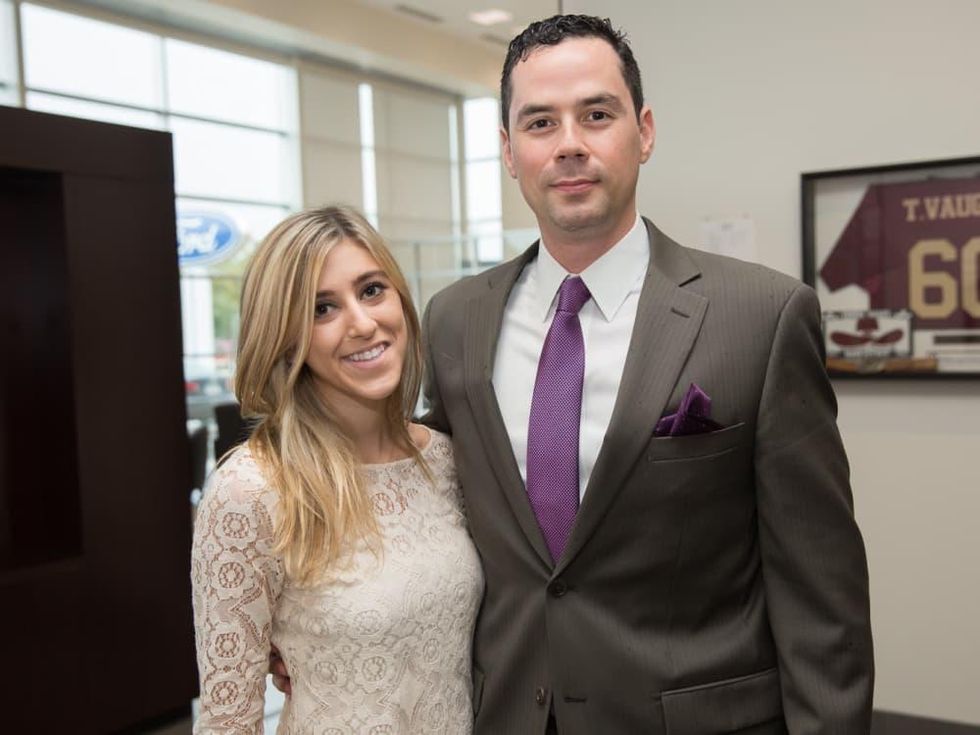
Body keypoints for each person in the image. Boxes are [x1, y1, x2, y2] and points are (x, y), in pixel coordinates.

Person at [419, 14, 874, 735]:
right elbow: (431, 518)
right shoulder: (452, 321)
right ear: (509, 151)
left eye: (596, 114)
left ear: (645, 130)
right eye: (540, 122)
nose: (569, 144)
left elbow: (821, 594)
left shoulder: (762, 315)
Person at [191, 206, 483, 733]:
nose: (362, 323)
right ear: (283, 338)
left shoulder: (445, 460)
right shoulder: (252, 491)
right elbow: (226, 722)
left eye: (372, 290)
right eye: (322, 308)